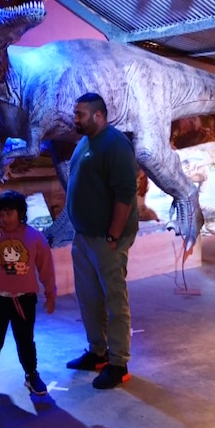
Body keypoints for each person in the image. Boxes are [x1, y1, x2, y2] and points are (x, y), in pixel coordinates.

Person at [64, 92, 139, 389]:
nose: (75, 118)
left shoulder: (115, 144)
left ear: (98, 115)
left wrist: (113, 235)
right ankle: (97, 352)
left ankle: (118, 362)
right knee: (89, 298)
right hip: (83, 237)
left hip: (106, 240)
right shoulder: (85, 142)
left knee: (114, 299)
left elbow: (125, 194)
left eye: (80, 113)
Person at [0, 190, 56, 402]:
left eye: (10, 213)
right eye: (1, 213)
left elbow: (46, 267)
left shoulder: (34, 237)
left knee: (25, 339)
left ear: (21, 213)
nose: (5, 218)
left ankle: (31, 374)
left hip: (24, 299)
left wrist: (50, 293)